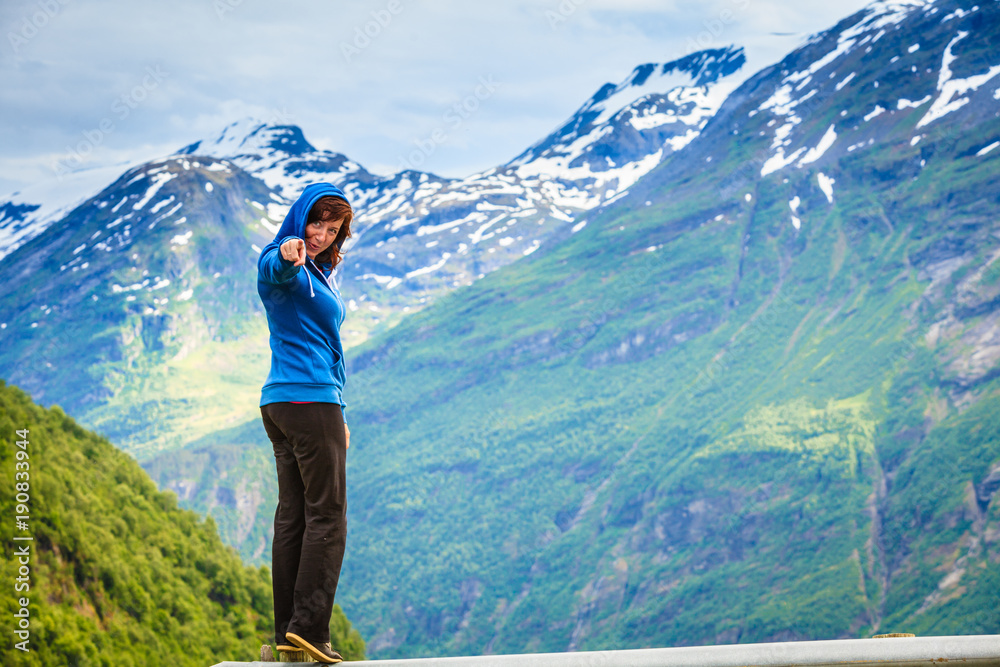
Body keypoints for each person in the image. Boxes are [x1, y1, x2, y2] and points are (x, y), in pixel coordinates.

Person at [257, 183, 353, 664]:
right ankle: (311, 630)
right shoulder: (282, 262)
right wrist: (288, 250)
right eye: (316, 222)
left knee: (293, 516)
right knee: (327, 515)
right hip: (309, 402)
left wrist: (341, 411)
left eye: (332, 230)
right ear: (300, 218)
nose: (320, 235)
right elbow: (275, 263)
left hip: (283, 405)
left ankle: (288, 633)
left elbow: (327, 346)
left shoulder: (316, 273)